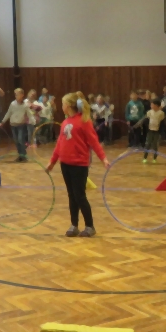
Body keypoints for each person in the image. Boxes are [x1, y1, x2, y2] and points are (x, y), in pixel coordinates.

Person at [46, 92, 110, 238]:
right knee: (71, 195)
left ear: (68, 106)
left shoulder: (84, 121)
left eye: (63, 103)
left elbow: (94, 142)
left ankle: (89, 226)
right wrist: (52, 162)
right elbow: (59, 144)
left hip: (79, 165)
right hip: (65, 164)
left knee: (80, 195)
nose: (62, 106)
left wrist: (103, 158)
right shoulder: (65, 122)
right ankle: (74, 225)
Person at [134, 98, 166, 163]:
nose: (151, 106)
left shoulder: (161, 113)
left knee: (155, 145)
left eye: (152, 105)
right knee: (147, 144)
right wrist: (136, 125)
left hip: (157, 131)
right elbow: (143, 120)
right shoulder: (149, 112)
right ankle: (145, 158)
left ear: (156, 105)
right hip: (150, 131)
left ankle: (154, 158)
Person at [1, 88, 30, 162]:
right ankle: (20, 155)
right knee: (16, 141)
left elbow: (29, 114)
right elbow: (8, 113)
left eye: (17, 94)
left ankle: (23, 155)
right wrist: (2, 122)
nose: (16, 96)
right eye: (15, 94)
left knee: (20, 140)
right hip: (13, 125)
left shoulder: (25, 105)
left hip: (21, 125)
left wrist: (33, 122)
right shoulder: (12, 104)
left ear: (22, 95)